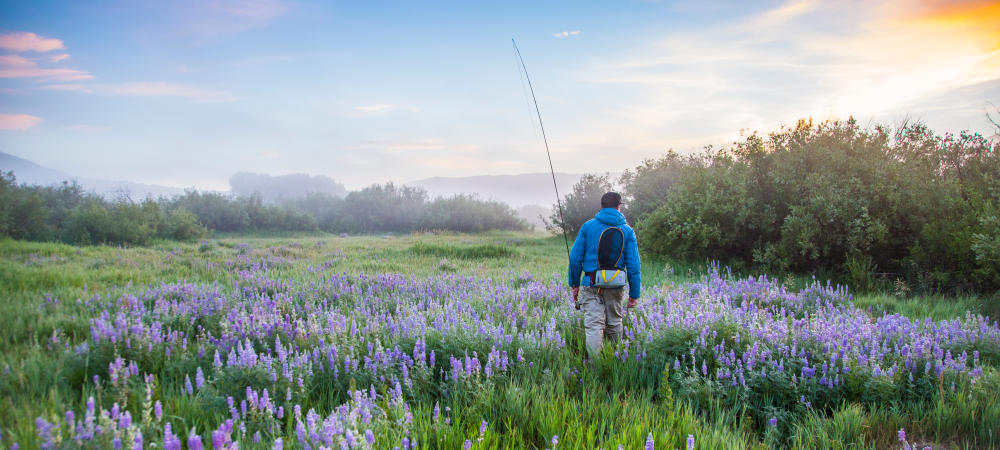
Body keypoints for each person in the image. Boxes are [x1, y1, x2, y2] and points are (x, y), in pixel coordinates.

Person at [568, 192, 641, 359]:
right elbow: (634, 266)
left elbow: (574, 259)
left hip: (591, 283)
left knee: (594, 326)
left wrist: (574, 284)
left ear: (601, 206)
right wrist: (634, 294)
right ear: (619, 206)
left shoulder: (588, 226)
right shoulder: (628, 231)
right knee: (615, 322)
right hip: (616, 286)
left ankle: (594, 366)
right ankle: (616, 360)